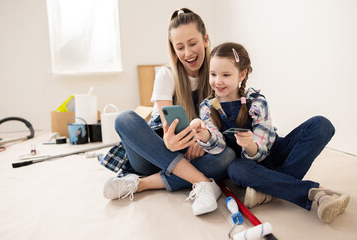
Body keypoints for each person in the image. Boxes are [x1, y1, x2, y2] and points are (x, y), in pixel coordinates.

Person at [190, 42, 350, 223]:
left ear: (242, 74)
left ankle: (270, 190)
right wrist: (205, 136)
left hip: (270, 151)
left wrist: (250, 145)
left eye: (226, 75)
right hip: (247, 166)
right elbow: (218, 148)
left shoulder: (256, 101)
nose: (217, 81)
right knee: (235, 169)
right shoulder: (207, 107)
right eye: (213, 74)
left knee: (322, 125)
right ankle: (315, 193)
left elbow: (264, 147)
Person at [101, 8, 236, 216]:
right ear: (173, 49)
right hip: (156, 154)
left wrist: (205, 140)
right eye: (180, 47)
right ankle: (201, 181)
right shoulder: (166, 75)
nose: (188, 53)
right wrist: (169, 141)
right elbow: (166, 129)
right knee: (124, 118)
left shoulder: (218, 73)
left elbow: (226, 120)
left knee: (226, 157)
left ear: (206, 39)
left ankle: (142, 184)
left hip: (198, 153)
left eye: (192, 44)